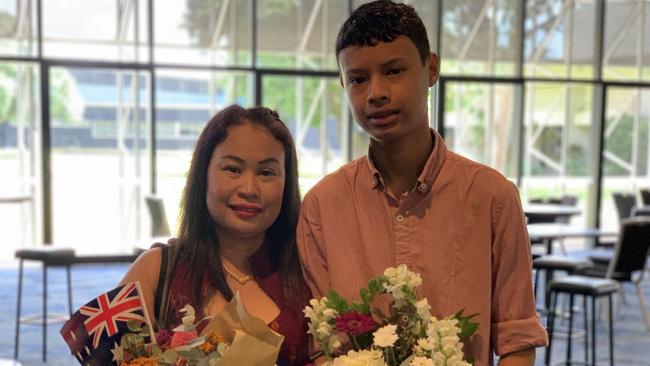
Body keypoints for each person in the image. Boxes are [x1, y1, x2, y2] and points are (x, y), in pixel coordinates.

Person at [296, 1, 548, 365]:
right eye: (358, 79)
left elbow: (516, 337)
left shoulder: (491, 196)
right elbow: (321, 345)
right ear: (343, 84)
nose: (376, 93)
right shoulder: (322, 205)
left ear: (431, 69)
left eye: (394, 70)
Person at [120, 105, 311, 365]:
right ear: (204, 174)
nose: (249, 188)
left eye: (266, 173)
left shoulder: (308, 275)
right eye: (233, 169)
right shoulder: (154, 271)